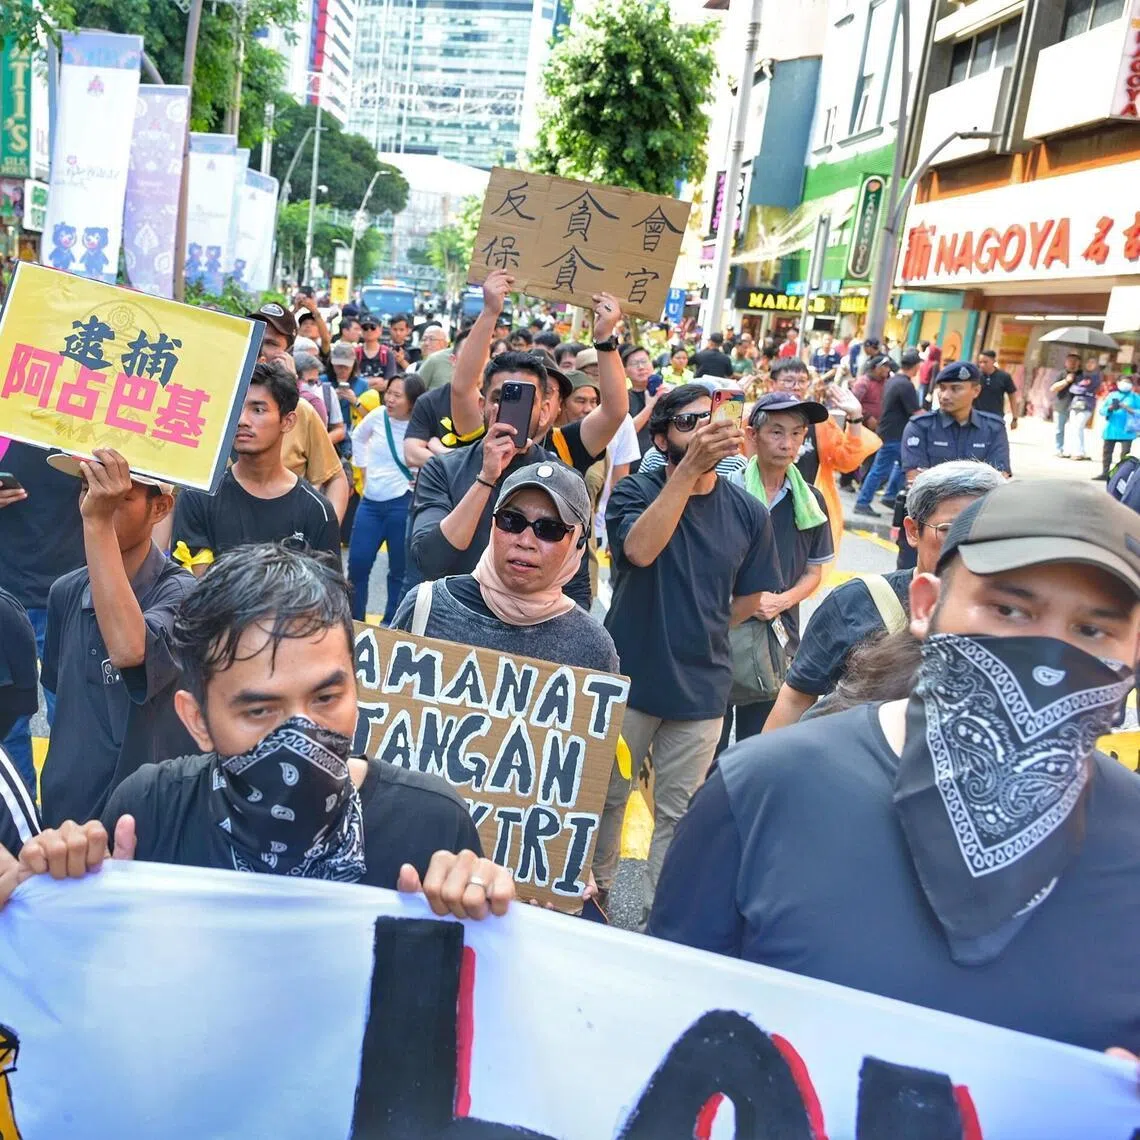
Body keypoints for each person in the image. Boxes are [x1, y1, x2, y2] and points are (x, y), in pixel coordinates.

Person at [648, 479, 1140, 1055]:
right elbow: (653, 1031)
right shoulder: (761, 791)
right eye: (1008, 609)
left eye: (1092, 630)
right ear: (926, 606)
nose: (1049, 660)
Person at [15, 544, 514, 920]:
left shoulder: (431, 824)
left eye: (325, 698)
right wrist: (64, 890)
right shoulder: (150, 811)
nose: (301, 732)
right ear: (198, 722)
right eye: (259, 710)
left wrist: (476, 903)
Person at [594, 383, 783, 920]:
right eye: (688, 423)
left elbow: (750, 596)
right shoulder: (635, 492)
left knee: (677, 816)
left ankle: (660, 920)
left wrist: (702, 629)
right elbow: (639, 549)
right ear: (661, 437)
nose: (704, 430)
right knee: (606, 796)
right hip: (629, 676)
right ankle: (596, 899)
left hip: (702, 688)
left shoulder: (747, 513)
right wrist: (686, 472)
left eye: (712, 419)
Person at [764, 460, 1004, 730]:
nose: (967, 545)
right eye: (949, 530)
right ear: (913, 531)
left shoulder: (1016, 616)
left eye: (984, 531)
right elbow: (796, 698)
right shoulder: (856, 602)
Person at [37, 449, 195, 828]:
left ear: (160, 509)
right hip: (68, 813)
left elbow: (130, 649)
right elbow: (64, 699)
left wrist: (97, 523)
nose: (94, 505)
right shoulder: (66, 592)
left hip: (148, 818)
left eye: (115, 498)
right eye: (87, 491)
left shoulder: (183, 594)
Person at [393, 462, 618, 676]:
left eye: (549, 529)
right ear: (493, 524)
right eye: (511, 520)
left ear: (577, 544)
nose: (525, 540)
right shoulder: (426, 606)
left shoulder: (593, 648)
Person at [719, 393, 833, 747]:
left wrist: (782, 601)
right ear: (752, 435)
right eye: (777, 432)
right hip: (721, 629)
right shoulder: (726, 491)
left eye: (797, 434)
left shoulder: (809, 500)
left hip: (777, 638)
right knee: (709, 746)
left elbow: (815, 571)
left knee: (761, 742)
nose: (788, 444)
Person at [173, 361, 342, 573]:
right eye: (236, 408)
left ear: (287, 422)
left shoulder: (316, 510)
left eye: (258, 409)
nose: (242, 420)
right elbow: (195, 590)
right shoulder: (198, 498)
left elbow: (328, 598)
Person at [0, 442, 86, 792]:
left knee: (74, 720)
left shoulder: (95, 414)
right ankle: (16, 829)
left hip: (73, 591)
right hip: (5, 592)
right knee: (7, 725)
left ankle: (68, 821)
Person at [768, 357, 880, 550]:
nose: (796, 387)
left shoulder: (819, 423)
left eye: (802, 381)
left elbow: (846, 460)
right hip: (760, 510)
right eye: (788, 381)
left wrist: (854, 418)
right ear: (771, 384)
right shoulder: (753, 419)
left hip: (803, 512)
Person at [348, 375, 424, 623]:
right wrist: (363, 469)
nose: (389, 399)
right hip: (369, 503)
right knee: (357, 565)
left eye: (397, 395)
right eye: (388, 393)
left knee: (399, 572)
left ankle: (390, 625)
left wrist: (419, 478)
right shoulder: (378, 415)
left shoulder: (421, 425)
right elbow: (358, 437)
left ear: (412, 402)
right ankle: (355, 623)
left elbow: (436, 456)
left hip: (403, 504)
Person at [901, 362, 1011, 481]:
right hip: (931, 499)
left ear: (976, 391)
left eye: (956, 388)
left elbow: (999, 478)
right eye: (942, 388)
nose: (945, 396)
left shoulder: (993, 428)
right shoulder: (920, 426)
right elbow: (915, 478)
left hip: (980, 500)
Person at [853, 348, 922, 517]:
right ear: (916, 366)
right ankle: (862, 502)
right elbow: (915, 411)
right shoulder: (905, 384)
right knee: (880, 469)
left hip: (892, 431)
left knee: (905, 465)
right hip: (894, 433)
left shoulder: (893, 381)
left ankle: (890, 496)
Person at [622, 343, 660, 471]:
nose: (641, 367)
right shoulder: (623, 398)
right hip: (633, 467)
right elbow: (626, 431)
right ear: (625, 371)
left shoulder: (666, 394)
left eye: (644, 361)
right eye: (634, 364)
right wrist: (650, 406)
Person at [1096, 374, 1140, 479]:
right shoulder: (1112, 395)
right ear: (1118, 383)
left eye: (1128, 382)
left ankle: (1120, 476)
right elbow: (1102, 411)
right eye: (1124, 381)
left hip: (1127, 431)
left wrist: (1128, 408)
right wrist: (1110, 408)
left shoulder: (1135, 397)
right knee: (1107, 453)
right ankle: (1105, 473)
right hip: (1112, 429)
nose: (1126, 384)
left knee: (1125, 455)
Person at [851, 352, 894, 435]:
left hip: (880, 426)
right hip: (862, 427)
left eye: (888, 367)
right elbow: (853, 403)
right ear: (876, 368)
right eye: (884, 366)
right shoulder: (863, 382)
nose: (888, 370)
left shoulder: (886, 382)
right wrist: (867, 417)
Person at [1051, 351, 1083, 457]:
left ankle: (1072, 450)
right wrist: (1066, 381)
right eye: (1070, 361)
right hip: (1061, 404)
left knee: (1075, 429)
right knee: (1059, 429)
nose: (1072, 363)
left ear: (1079, 363)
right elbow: (1053, 388)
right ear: (1066, 362)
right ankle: (1058, 448)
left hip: (1077, 406)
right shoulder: (1062, 373)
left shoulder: (1082, 375)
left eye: (1075, 361)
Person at [1064, 367, 1099, 462]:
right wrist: (1081, 389)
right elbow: (1072, 389)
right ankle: (1072, 450)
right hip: (1075, 404)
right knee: (1071, 427)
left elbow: (1085, 390)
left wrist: (1081, 389)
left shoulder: (1096, 377)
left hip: (1087, 405)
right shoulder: (1079, 378)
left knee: (1078, 427)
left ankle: (1078, 452)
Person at [976, 349, 1018, 427]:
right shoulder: (975, 376)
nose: (982, 365)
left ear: (993, 361)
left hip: (995, 418)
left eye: (985, 362)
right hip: (976, 417)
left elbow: (1012, 397)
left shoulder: (1004, 377)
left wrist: (1014, 418)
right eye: (980, 362)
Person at [359, 316, 396, 384]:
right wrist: (375, 381)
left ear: (380, 330)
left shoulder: (387, 354)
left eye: (373, 327)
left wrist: (362, 384)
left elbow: (388, 383)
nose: (369, 330)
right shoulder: (355, 352)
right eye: (365, 328)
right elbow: (352, 381)